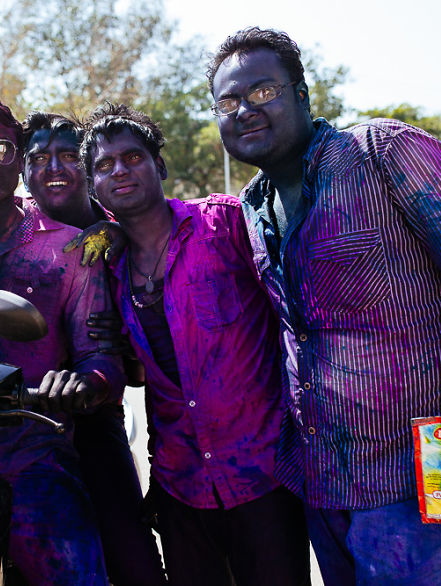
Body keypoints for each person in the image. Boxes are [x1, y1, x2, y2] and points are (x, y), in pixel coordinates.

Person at [208, 26, 441, 585]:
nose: (245, 109)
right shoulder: (252, 209)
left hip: (425, 482)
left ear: (302, 94)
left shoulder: (385, 154)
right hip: (324, 483)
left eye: (264, 92)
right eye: (228, 101)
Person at [80, 103, 311, 586]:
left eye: (133, 157)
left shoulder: (224, 226)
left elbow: (294, 318)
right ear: (94, 188)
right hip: (179, 489)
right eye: (104, 166)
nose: (120, 170)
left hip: (263, 477)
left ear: (159, 165)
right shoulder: (107, 269)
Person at [0, 89, 125, 585]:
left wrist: (84, 384)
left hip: (34, 463)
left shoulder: (69, 249)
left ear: (18, 163)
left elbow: (103, 356)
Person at [21, 111, 168, 586]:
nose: (54, 168)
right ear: (24, 171)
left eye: (68, 155)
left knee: (133, 556)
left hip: (97, 417)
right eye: (39, 157)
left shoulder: (119, 229)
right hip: (21, 422)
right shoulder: (15, 232)